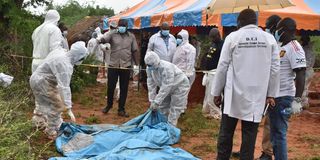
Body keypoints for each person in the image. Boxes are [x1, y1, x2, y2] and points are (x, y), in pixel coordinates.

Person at [212, 9, 280, 160]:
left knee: (226, 134)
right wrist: (271, 94)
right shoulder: (269, 39)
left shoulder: (233, 37)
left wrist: (216, 92)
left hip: (232, 97)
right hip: (257, 97)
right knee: (249, 138)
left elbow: (222, 66)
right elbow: (275, 69)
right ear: (256, 22)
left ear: (239, 23)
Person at [30, 41, 88, 139]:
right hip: (43, 82)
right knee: (57, 105)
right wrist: (68, 107)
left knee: (42, 102)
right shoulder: (64, 64)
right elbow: (64, 87)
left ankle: (38, 122)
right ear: (78, 56)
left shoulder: (61, 52)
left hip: (36, 79)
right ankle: (51, 131)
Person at [269, 17, 306, 160]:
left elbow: (301, 74)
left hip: (284, 97)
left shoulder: (295, 48)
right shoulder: (281, 46)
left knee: (279, 135)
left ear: (284, 30)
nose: (276, 32)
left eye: (278, 29)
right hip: (275, 97)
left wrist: (297, 100)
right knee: (275, 135)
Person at [99, 19, 139, 117]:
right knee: (111, 86)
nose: (121, 27)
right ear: (118, 26)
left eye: (123, 26)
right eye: (120, 25)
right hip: (113, 65)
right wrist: (100, 39)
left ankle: (121, 109)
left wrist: (136, 65)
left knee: (124, 88)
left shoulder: (131, 36)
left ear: (126, 27)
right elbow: (104, 40)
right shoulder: (112, 34)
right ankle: (109, 105)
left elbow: (134, 50)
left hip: (126, 66)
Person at [256, 15, 282, 160]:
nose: (266, 28)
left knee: (272, 124)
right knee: (268, 122)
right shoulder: (269, 42)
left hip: (278, 90)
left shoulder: (281, 44)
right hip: (267, 88)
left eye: (268, 26)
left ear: (275, 27)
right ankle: (267, 151)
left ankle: (268, 153)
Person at [145, 51, 190, 126]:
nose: (150, 67)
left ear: (156, 61)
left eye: (151, 65)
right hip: (167, 87)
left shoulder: (166, 67)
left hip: (180, 85)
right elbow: (151, 84)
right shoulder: (149, 69)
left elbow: (167, 85)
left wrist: (157, 101)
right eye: (149, 65)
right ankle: (162, 125)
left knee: (175, 107)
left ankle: (171, 128)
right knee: (163, 106)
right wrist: (152, 100)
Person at [201, 28, 223, 119]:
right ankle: (207, 111)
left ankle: (217, 113)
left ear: (218, 35)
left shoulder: (222, 45)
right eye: (211, 38)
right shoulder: (213, 44)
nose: (212, 39)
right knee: (207, 94)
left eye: (213, 37)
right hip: (209, 73)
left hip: (216, 73)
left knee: (212, 94)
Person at [300, 35, 315, 108]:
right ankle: (304, 103)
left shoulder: (306, 50)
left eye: (302, 40)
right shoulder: (309, 49)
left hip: (306, 70)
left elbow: (307, 62)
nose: (301, 42)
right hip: (309, 70)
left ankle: (303, 104)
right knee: (305, 87)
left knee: (303, 87)